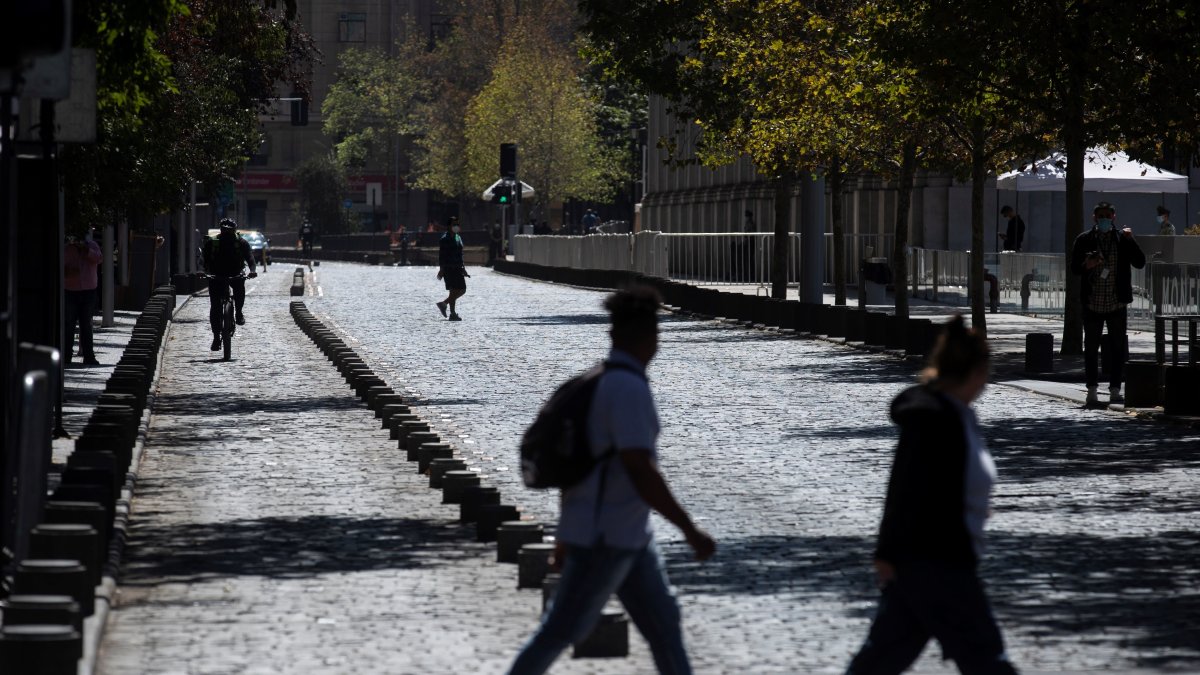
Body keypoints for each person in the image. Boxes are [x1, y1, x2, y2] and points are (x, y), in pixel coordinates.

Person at [508, 287, 716, 675]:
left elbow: (578, 467)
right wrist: (689, 529)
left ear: (613, 333)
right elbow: (639, 469)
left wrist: (565, 532)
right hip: (605, 538)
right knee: (559, 631)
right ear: (651, 338)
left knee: (664, 627)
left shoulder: (598, 380)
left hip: (629, 536)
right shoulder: (627, 389)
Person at [846, 315, 1017, 675]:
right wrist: (886, 552)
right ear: (977, 373)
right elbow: (904, 487)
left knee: (879, 661)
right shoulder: (934, 420)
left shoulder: (958, 415)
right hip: (938, 561)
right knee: (986, 658)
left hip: (928, 562)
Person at [1070, 201, 1146, 406]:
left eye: (1107, 215)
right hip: (1092, 302)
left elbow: (1140, 262)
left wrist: (1131, 240)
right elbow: (1074, 268)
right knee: (1091, 348)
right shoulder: (1084, 239)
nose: (1104, 219)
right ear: (1094, 218)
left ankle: (1115, 389)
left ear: (1113, 217)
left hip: (1116, 302)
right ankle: (1092, 390)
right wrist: (1087, 265)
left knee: (1118, 348)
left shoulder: (1121, 239)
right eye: (1100, 215)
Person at [202, 218, 257, 351]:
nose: (227, 233)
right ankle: (216, 337)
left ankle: (239, 313)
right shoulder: (212, 242)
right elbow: (203, 259)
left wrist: (252, 271)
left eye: (229, 230)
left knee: (239, 291)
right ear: (221, 230)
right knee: (215, 307)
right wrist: (200, 271)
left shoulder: (241, 242)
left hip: (235, 274)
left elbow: (250, 257)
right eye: (224, 230)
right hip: (216, 275)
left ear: (234, 230)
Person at [64, 229, 103, 366]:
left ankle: (89, 356)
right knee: (68, 325)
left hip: (88, 291)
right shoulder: (67, 249)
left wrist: (86, 250)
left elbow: (99, 259)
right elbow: (62, 266)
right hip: (70, 290)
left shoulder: (92, 245)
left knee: (86, 325)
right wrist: (68, 271)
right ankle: (66, 356)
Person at [436, 216, 469, 321]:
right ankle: (453, 314)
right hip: (449, 268)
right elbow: (442, 256)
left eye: (457, 224)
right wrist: (441, 269)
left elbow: (460, 254)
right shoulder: (444, 239)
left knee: (462, 290)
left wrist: (463, 268)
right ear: (449, 226)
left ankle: (444, 304)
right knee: (453, 290)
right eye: (454, 224)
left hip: (458, 267)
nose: (456, 226)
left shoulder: (458, 237)